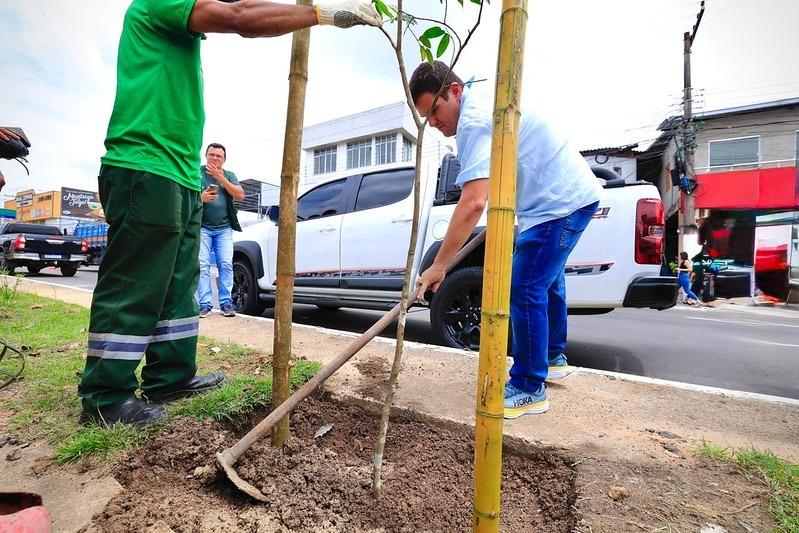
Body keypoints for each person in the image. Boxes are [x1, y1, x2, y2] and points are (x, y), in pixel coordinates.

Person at [78, 0, 381, 427]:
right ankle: (105, 396)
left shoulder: (179, 36)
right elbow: (240, 17)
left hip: (180, 176)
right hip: (145, 167)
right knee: (135, 282)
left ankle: (170, 377)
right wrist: (321, 15)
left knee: (178, 285)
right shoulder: (159, 3)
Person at [411, 61, 601, 419]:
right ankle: (551, 358)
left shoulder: (473, 121)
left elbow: (473, 202)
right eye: (426, 117)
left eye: (434, 110)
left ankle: (529, 387)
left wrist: (439, 265)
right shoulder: (484, 99)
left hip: (557, 204)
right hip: (563, 198)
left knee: (524, 286)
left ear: (454, 91)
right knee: (546, 280)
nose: (433, 122)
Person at [197, 143, 244, 318]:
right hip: (202, 227)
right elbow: (186, 195)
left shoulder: (229, 175)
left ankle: (226, 302)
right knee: (202, 265)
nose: (215, 158)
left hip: (224, 228)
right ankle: (205, 304)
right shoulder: (197, 173)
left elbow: (240, 194)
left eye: (219, 156)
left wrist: (221, 178)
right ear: (206, 156)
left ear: (224, 159)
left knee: (225, 264)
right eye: (212, 155)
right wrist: (200, 198)